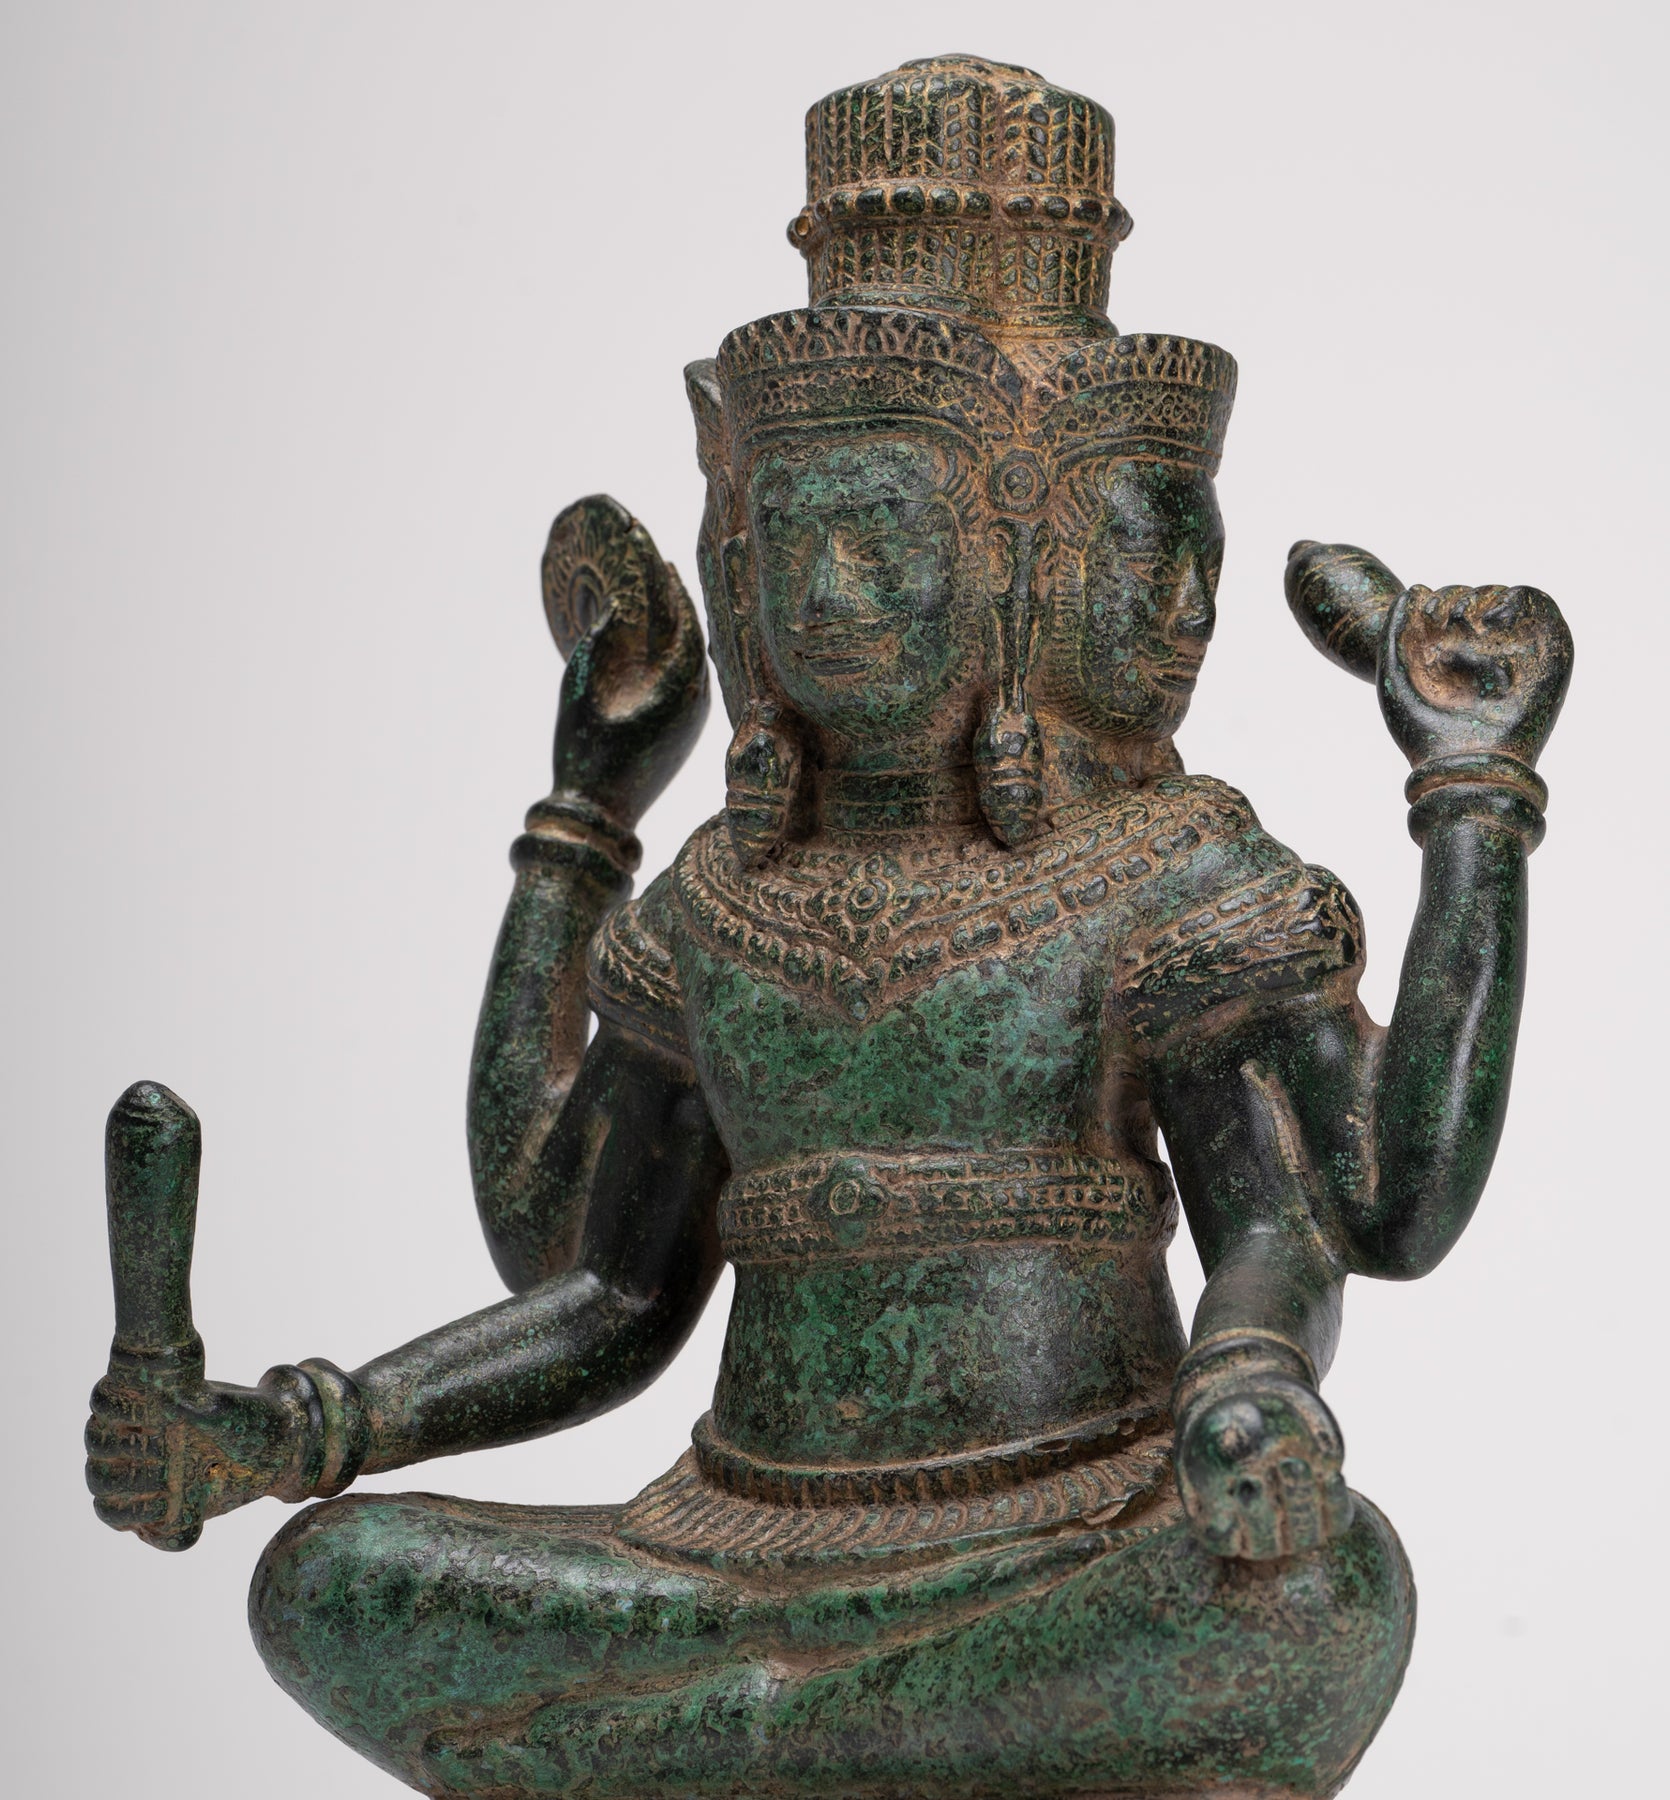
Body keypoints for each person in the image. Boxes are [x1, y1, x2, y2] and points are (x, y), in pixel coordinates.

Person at [85, 54, 1571, 1800]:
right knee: (332, 1582)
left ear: (1014, 567)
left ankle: (709, 1740)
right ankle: (820, 1719)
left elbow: (1343, 1216)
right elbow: (585, 1284)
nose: (834, 596)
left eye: (886, 547)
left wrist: (1246, 1390)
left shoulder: (1159, 870)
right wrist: (299, 1431)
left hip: (1081, 1527)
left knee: (1320, 1589)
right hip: (729, 1546)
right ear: (739, 566)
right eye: (796, 550)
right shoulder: (718, 907)